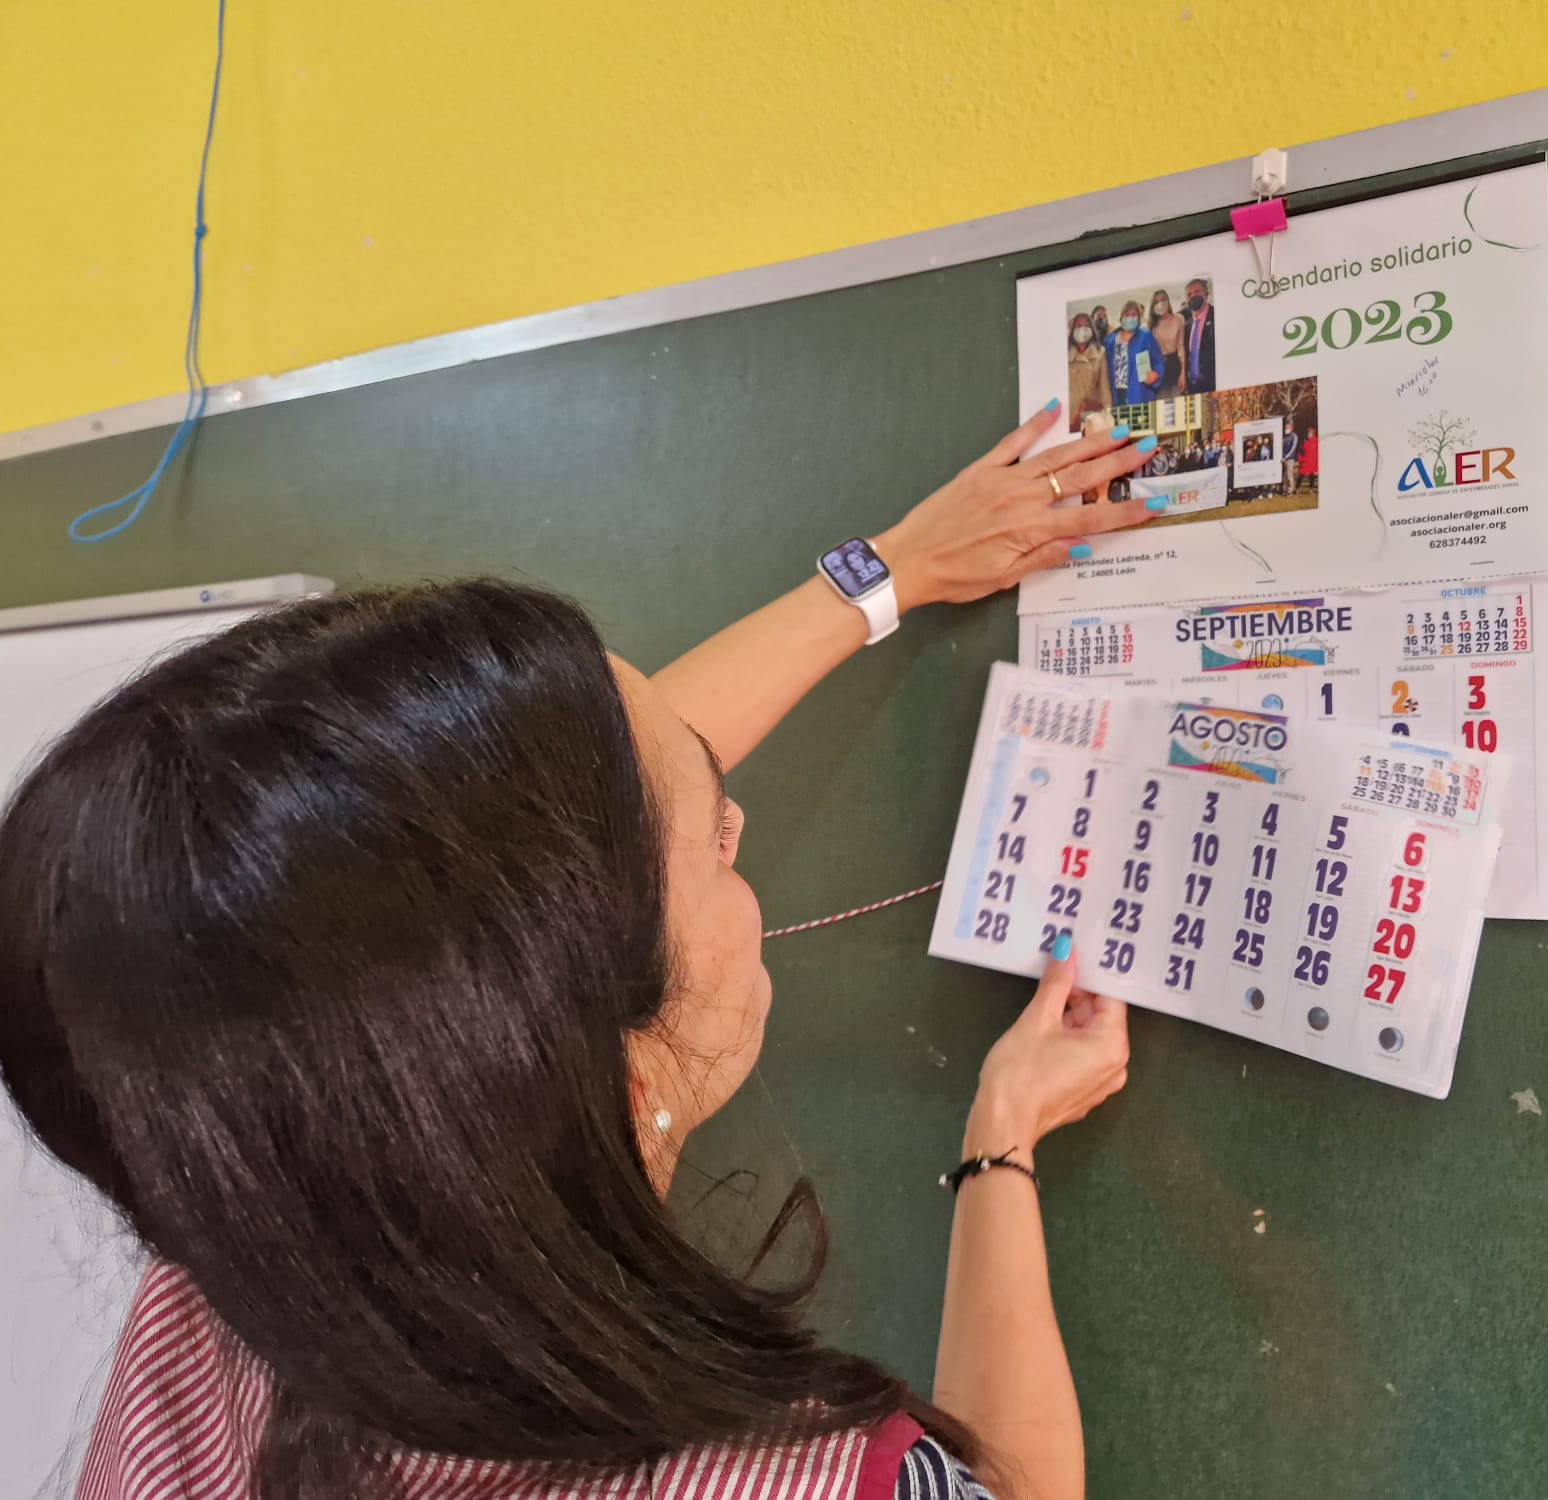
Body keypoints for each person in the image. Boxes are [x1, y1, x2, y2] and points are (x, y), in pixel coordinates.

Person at [0, 408, 1160, 1500]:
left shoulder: (223, 1298)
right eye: (713, 847)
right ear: (576, 1045)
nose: (734, 820)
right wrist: (998, 1144)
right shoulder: (798, 1476)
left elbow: (533, 840)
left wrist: (885, 572)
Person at [1104, 299, 1165, 408]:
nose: (1130, 318)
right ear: (1121, 318)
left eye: (1134, 315)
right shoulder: (1109, 341)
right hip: (1116, 394)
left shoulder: (1145, 336)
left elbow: (1158, 361)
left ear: (1139, 318)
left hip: (1140, 392)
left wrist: (1156, 375)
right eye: (1127, 315)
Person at [1066, 313, 1111, 426]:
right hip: (1069, 412)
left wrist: (1108, 412)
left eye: (1086, 326)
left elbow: (1104, 387)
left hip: (1090, 411)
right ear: (1072, 330)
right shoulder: (1064, 353)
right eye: (1078, 326)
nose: (1082, 329)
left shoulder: (1100, 352)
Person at [1146, 289, 1185, 397]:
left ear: (1168, 301)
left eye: (1163, 300)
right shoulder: (1150, 325)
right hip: (1158, 368)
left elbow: (1181, 348)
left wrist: (1183, 373)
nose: (1160, 303)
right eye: (1157, 301)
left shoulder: (1178, 319)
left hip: (1174, 366)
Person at [1181, 278, 1217, 395]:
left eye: (1197, 292)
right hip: (1192, 387)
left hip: (1213, 385)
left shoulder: (1217, 316)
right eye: (1189, 294)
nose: (1193, 296)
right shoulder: (1187, 325)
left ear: (1206, 294)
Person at [1300, 424, 1320, 492]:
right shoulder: (1305, 441)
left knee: (1312, 475)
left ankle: (1311, 488)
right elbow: (1301, 450)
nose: (1308, 434)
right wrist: (1300, 459)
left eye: (1309, 433)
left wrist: (1318, 462)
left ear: (1312, 434)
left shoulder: (1316, 441)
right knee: (1301, 474)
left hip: (1313, 462)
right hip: (1305, 461)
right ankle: (1297, 487)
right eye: (1307, 433)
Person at [1282, 421, 1300, 494]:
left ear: (1291, 428)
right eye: (1285, 428)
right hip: (1283, 459)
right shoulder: (1285, 437)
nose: (1286, 429)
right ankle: (1285, 489)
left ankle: (1290, 490)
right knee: (1285, 475)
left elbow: (1293, 448)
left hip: (1290, 459)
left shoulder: (1294, 436)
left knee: (1290, 475)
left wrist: (1286, 457)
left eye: (1288, 428)